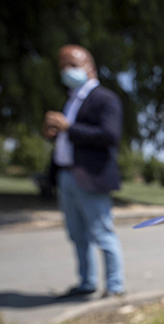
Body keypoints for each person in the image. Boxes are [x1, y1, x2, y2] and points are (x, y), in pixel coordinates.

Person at [43, 45, 125, 298]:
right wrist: (54, 134)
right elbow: (69, 139)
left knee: (103, 232)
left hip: (91, 177)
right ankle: (86, 282)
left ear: (90, 68)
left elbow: (110, 135)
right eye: (63, 65)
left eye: (73, 65)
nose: (67, 70)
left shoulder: (104, 98)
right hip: (67, 176)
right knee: (77, 235)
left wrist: (68, 127)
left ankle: (115, 286)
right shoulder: (70, 100)